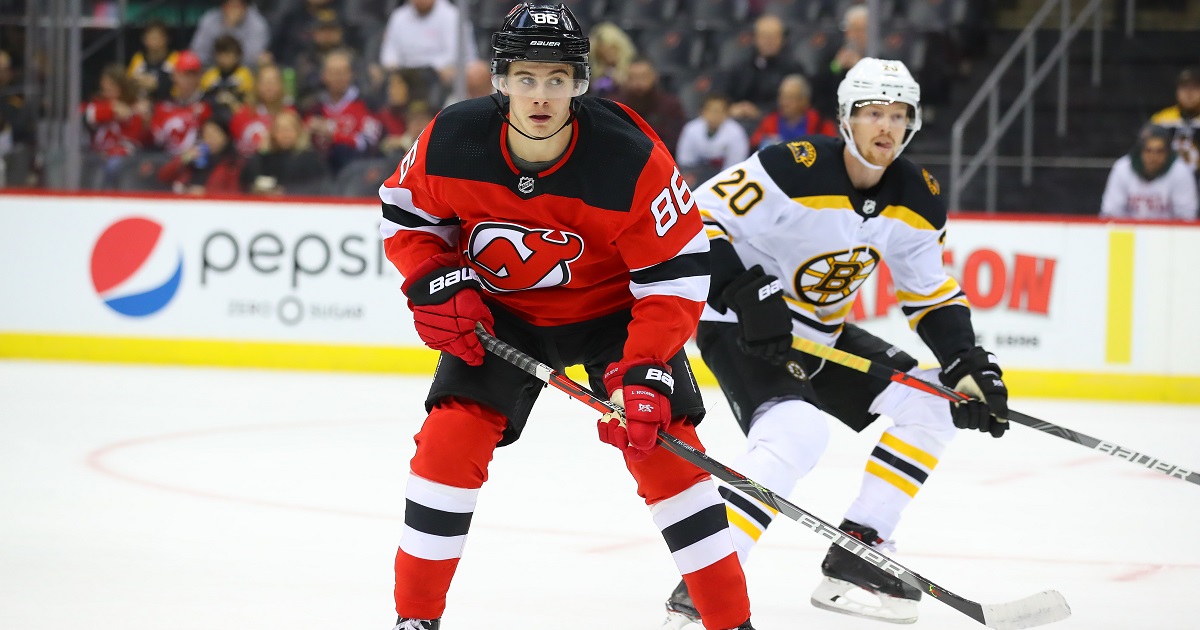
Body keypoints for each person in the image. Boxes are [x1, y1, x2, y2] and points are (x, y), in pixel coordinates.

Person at [377, 4, 756, 630]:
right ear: (500, 80)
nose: (541, 95)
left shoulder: (630, 157)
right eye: (526, 77)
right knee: (446, 447)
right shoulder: (450, 138)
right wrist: (433, 282)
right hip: (503, 316)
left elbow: (680, 271)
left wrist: (646, 365)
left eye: (557, 78)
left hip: (615, 316)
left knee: (667, 453)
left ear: (581, 82)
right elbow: (408, 219)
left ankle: (730, 623)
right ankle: (415, 621)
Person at [659, 58, 1011, 629]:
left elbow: (930, 296)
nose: (886, 128)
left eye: (899, 116)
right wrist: (749, 293)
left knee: (933, 404)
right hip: (745, 325)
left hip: (821, 334)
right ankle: (708, 579)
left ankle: (858, 550)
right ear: (848, 118)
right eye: (874, 113)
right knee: (796, 431)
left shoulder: (917, 197)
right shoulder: (790, 167)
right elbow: (696, 219)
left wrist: (967, 363)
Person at [1100, 125, 1198, 221]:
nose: (1153, 157)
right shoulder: (1123, 168)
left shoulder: (1180, 171)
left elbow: (1187, 218)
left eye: (1159, 151)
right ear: (1140, 152)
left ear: (1168, 153)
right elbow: (1110, 214)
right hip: (1129, 233)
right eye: (1148, 150)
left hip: (1168, 234)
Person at [612, 56, 687, 156]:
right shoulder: (616, 106)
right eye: (633, 78)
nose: (638, 83)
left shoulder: (670, 106)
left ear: (654, 76)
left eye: (644, 77)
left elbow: (675, 142)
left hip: (661, 160)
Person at [748, 74, 836, 151]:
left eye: (790, 98)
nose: (784, 103)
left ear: (804, 101)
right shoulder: (769, 122)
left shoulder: (821, 124)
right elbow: (754, 146)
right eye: (782, 97)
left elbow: (830, 150)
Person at [675, 92, 749, 182]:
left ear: (727, 113)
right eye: (710, 110)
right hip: (696, 175)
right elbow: (685, 160)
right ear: (702, 111)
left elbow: (736, 164)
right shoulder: (691, 128)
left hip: (724, 177)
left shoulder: (736, 132)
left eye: (718, 111)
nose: (714, 114)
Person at [1149, 67, 1200, 177]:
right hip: (1165, 179)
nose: (1189, 93)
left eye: (1195, 88)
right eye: (1184, 88)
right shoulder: (1161, 119)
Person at [189, 0, 270, 68]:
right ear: (223, 6)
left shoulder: (257, 23)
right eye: (229, 5)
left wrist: (231, 29)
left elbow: (253, 57)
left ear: (245, 7)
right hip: (212, 70)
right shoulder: (210, 20)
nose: (233, 10)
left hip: (245, 72)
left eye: (237, 6)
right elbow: (197, 53)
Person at [126, 19, 180, 101]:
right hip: (142, 105)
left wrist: (157, 85)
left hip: (170, 103)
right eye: (151, 37)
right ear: (144, 40)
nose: (154, 41)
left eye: (157, 37)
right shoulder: (138, 58)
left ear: (166, 39)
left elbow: (182, 87)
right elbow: (128, 84)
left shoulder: (176, 58)